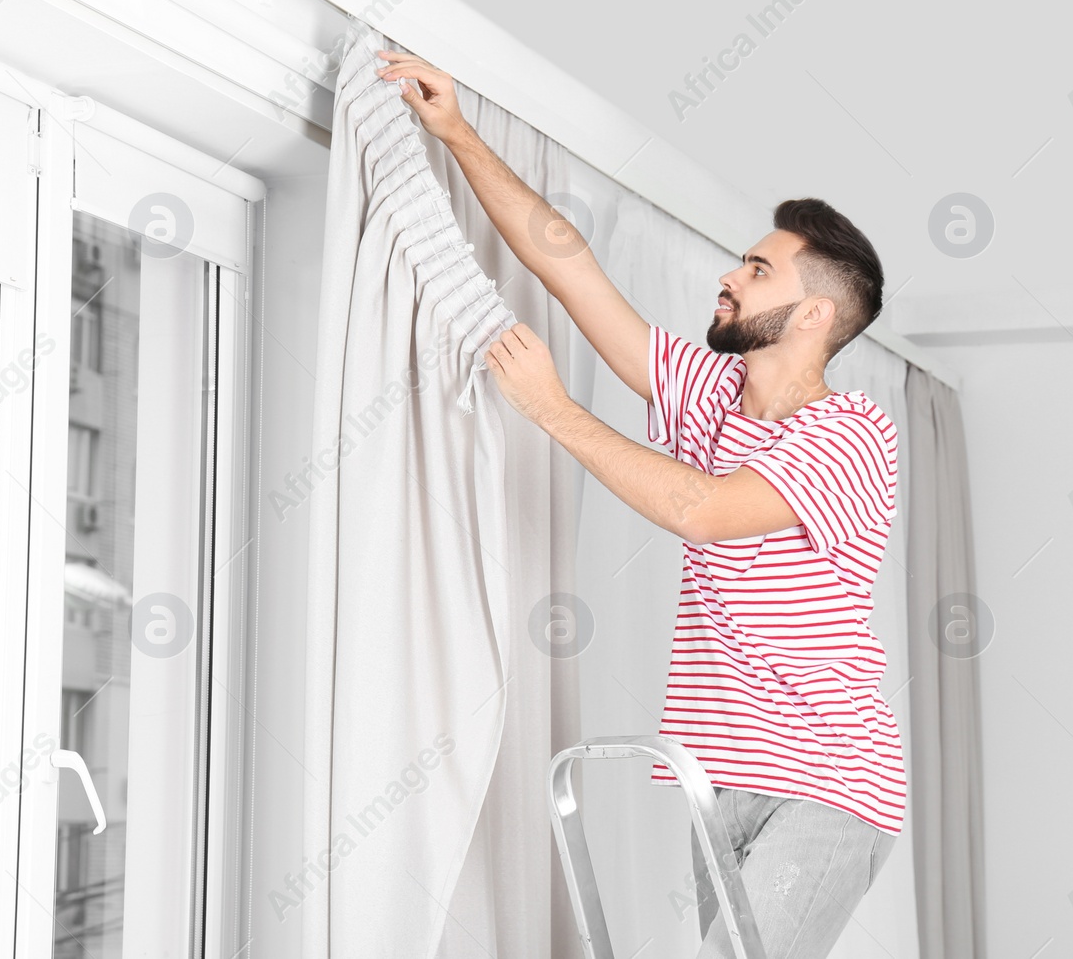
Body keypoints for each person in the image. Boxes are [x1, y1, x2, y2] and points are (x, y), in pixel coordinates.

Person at [377, 50, 904, 958]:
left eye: (759, 270)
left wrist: (552, 409)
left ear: (816, 316)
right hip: (720, 775)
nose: (730, 278)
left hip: (827, 780)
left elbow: (702, 510)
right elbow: (571, 270)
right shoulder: (710, 393)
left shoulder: (854, 434)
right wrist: (456, 131)